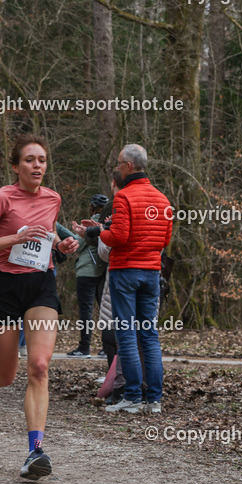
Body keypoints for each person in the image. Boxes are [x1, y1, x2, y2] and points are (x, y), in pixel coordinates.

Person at [0, 133, 79, 480]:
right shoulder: (2, 197)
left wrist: (64, 245)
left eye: (42, 160)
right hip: (5, 287)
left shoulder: (53, 198)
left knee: (40, 366)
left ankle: (35, 451)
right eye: (30, 160)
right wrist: (13, 238)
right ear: (16, 167)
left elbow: (49, 237)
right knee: (7, 374)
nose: (37, 165)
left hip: (40, 286)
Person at [96, 144, 173, 414]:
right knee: (150, 336)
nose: (117, 168)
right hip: (152, 272)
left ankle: (131, 397)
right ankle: (154, 399)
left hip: (125, 272)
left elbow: (118, 237)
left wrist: (99, 232)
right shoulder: (163, 200)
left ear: (128, 166)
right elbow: (165, 240)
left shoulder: (123, 197)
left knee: (127, 335)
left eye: (119, 163)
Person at [67, 194, 110, 357]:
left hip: (87, 272)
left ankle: (84, 348)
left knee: (86, 311)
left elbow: (77, 246)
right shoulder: (108, 223)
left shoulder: (91, 224)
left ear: (91, 208)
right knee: (105, 311)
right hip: (104, 271)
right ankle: (107, 348)